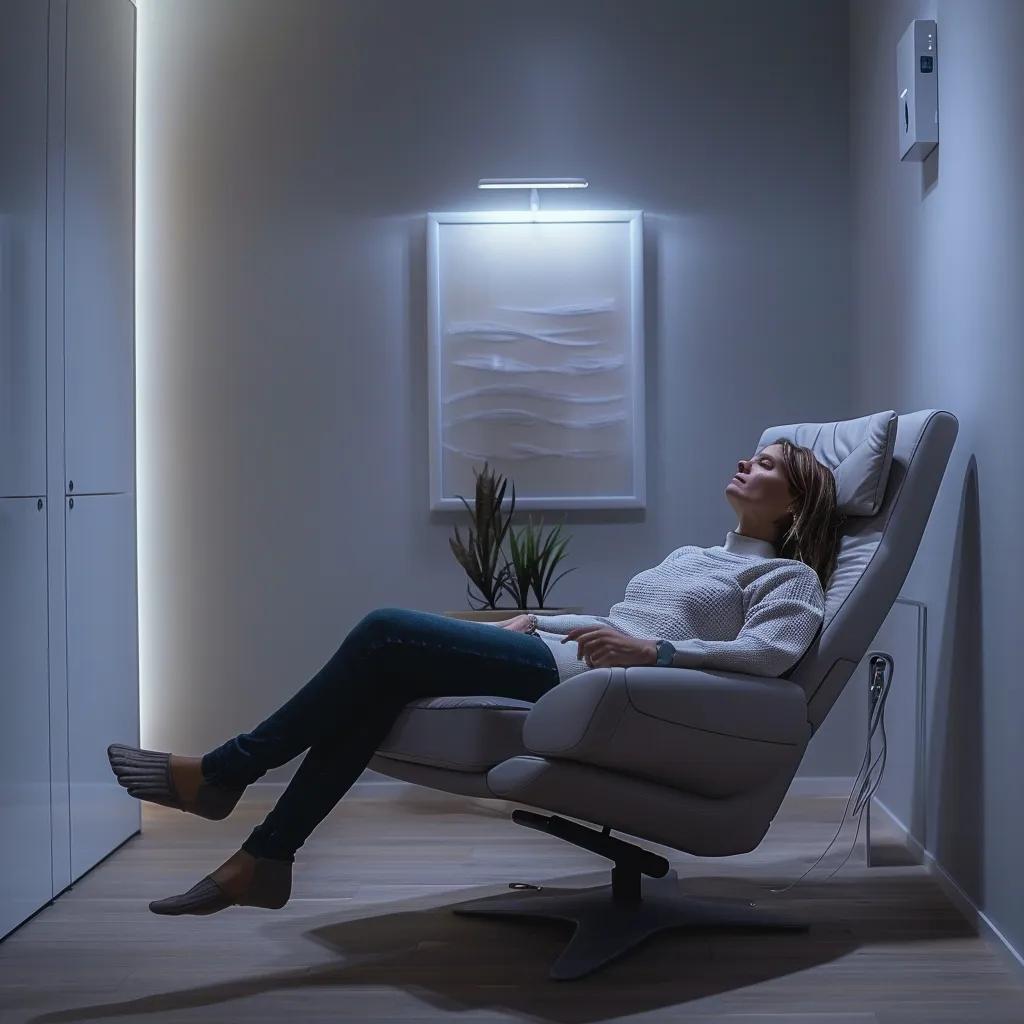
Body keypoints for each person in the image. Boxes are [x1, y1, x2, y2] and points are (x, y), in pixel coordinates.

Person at [108, 437, 844, 916]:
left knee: (384, 630)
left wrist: (658, 655)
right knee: (380, 680)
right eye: (751, 456)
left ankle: (226, 773)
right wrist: (534, 621)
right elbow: (615, 621)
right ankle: (266, 856)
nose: (746, 463)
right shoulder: (691, 558)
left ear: (796, 503)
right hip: (573, 662)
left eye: (767, 465)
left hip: (611, 692)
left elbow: (768, 657)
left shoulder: (790, 578)